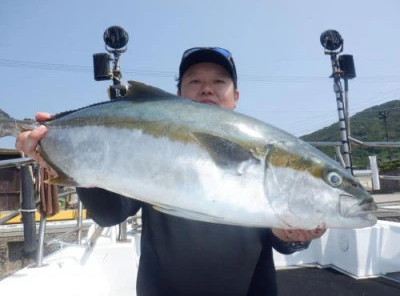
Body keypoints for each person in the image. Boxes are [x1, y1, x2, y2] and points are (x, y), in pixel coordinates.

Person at [16, 47, 325, 296]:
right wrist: (62, 156)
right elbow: (109, 214)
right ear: (177, 95)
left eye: (219, 81)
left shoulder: (258, 147)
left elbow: (280, 239)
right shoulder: (148, 146)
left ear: (236, 97)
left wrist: (293, 237)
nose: (206, 89)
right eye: (194, 81)